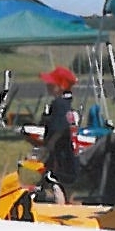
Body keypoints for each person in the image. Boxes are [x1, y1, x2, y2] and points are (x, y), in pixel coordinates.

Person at [37, 65, 80, 202]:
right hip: (68, 156)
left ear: (60, 86)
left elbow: (60, 128)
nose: (48, 85)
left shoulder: (59, 104)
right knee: (63, 185)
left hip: (60, 156)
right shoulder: (67, 104)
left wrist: (49, 145)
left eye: (51, 83)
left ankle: (59, 210)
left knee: (56, 185)